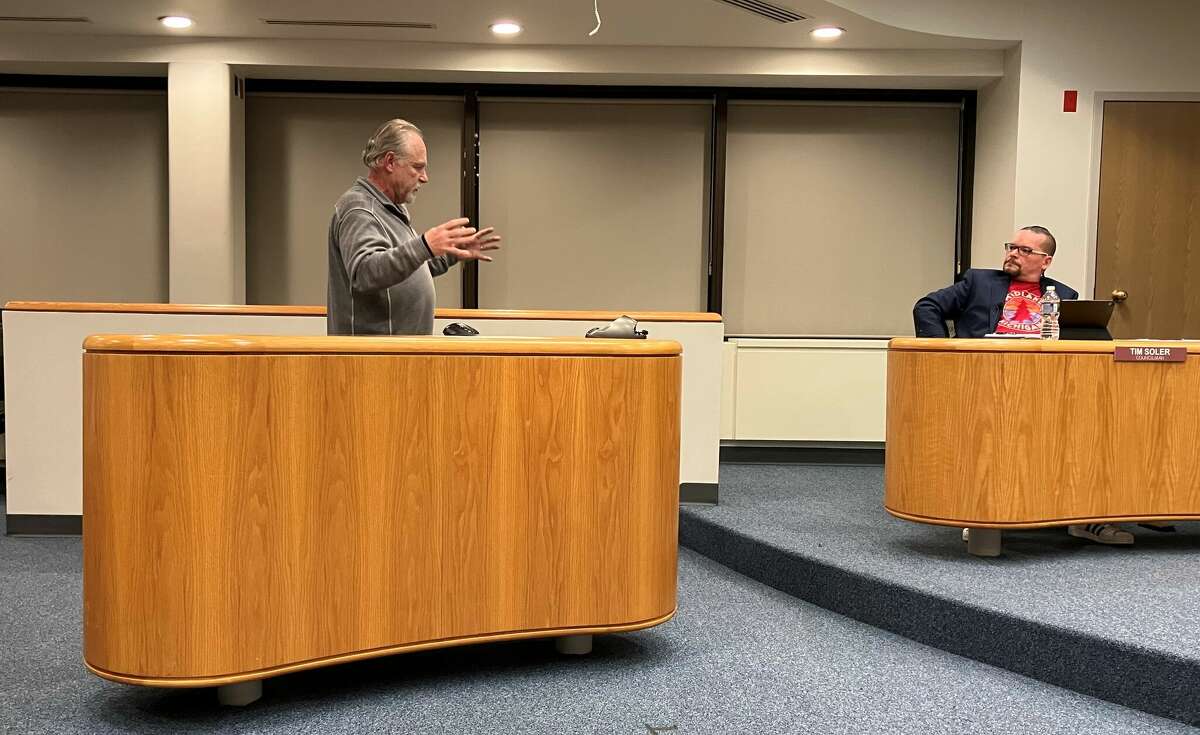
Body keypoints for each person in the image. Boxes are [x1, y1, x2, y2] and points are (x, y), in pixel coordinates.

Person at [914, 225, 1136, 546]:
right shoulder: (979, 281)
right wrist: (943, 356)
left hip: (1043, 382)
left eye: (1024, 250)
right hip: (984, 378)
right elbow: (927, 306)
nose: (1013, 254)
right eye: (1011, 247)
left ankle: (1085, 517)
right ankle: (985, 514)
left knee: (1091, 427)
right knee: (999, 430)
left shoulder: (1063, 294)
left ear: (1045, 261)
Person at [327, 118, 500, 336]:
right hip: (372, 360)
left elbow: (407, 266)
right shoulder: (360, 209)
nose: (424, 178)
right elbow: (365, 273)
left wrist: (450, 252)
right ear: (390, 162)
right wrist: (425, 245)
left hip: (397, 357)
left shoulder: (389, 210)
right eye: (417, 167)